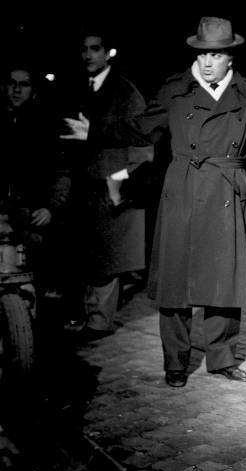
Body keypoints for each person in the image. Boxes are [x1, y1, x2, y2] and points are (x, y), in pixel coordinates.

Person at [70, 16, 246, 388]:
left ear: (230, 57)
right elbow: (139, 126)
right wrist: (95, 131)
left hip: (226, 190)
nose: (207, 62)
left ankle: (221, 359)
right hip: (183, 190)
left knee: (224, 280)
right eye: (202, 53)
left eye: (216, 55)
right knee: (177, 283)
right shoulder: (175, 89)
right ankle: (175, 362)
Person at [60, 28, 151, 341]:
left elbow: (143, 138)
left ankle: (99, 321)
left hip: (110, 185)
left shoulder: (125, 92)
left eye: (95, 49)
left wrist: (120, 180)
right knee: (85, 254)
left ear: (108, 52)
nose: (88, 55)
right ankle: (86, 315)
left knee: (107, 257)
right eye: (84, 49)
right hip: (80, 184)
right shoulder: (76, 87)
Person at [1, 65, 67, 288]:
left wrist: (51, 208)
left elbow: (62, 172)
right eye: (12, 83)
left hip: (31, 218)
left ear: (33, 91)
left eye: (24, 84)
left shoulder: (46, 128)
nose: (17, 90)